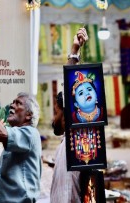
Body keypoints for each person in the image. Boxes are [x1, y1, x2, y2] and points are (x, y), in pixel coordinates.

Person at [50, 28, 88, 203]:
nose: (53, 118)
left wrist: (74, 51)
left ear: (64, 111)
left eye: (55, 112)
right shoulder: (66, 145)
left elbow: (69, 87)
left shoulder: (71, 145)